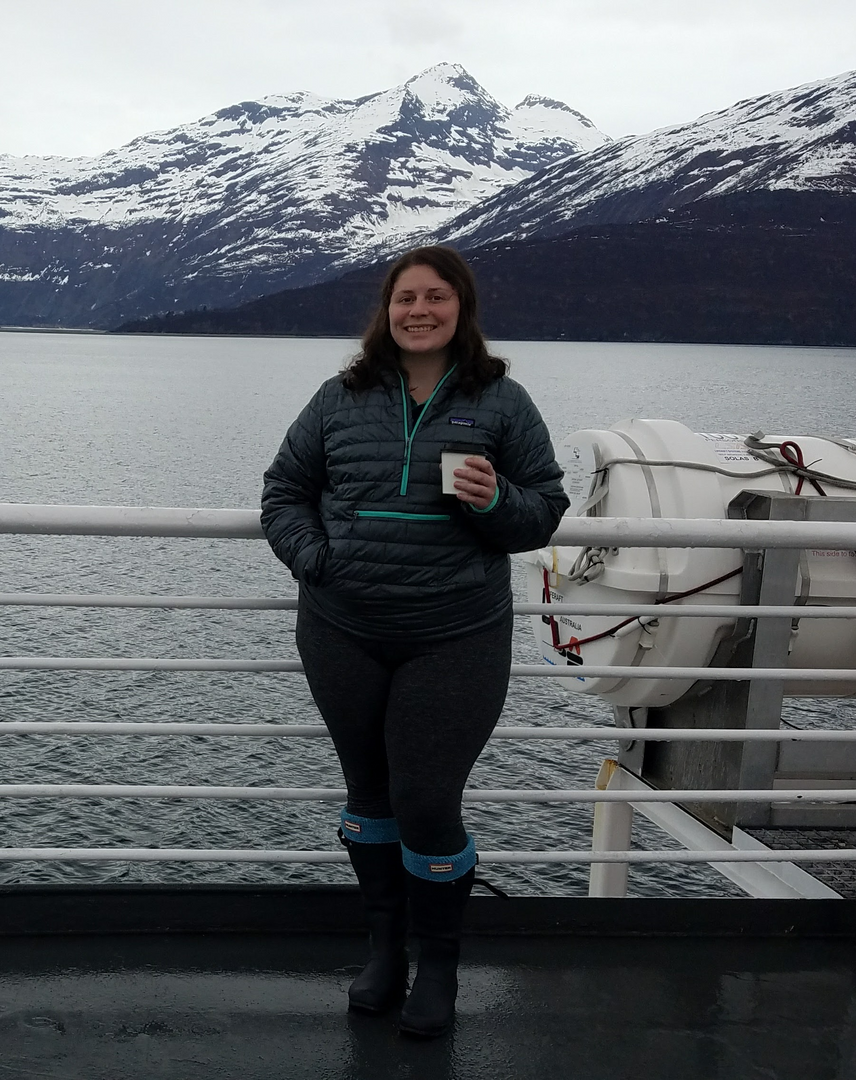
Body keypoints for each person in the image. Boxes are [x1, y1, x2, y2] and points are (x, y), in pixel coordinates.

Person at [260, 245, 567, 1037]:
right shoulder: (340, 396)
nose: (419, 310)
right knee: (369, 798)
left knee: (426, 801)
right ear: (385, 311)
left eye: (436, 297)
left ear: (461, 308)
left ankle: (439, 964)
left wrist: (496, 498)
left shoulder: (501, 401)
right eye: (405, 298)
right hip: (342, 630)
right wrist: (314, 560)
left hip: (455, 635)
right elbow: (283, 491)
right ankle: (384, 950)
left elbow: (542, 511)